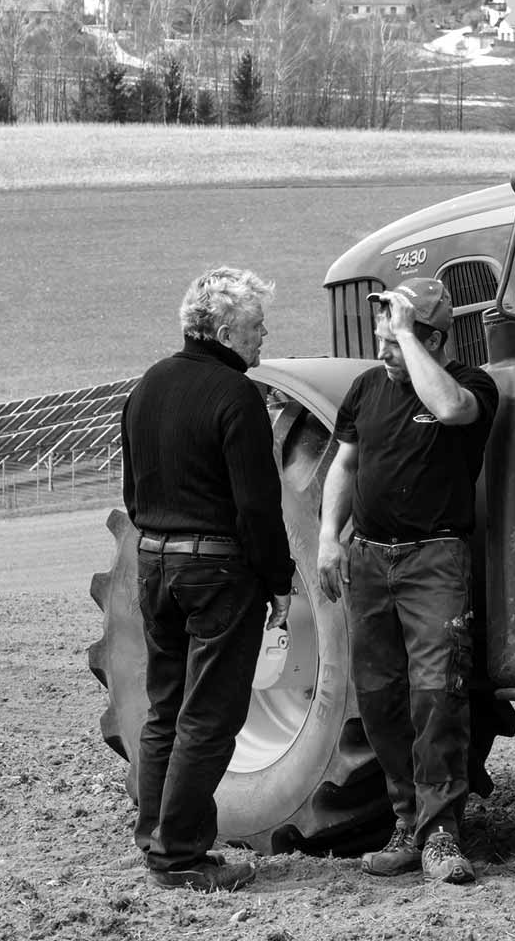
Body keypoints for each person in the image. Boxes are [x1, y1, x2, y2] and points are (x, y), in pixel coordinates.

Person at [315, 277, 498, 885]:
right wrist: (326, 540)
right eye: (382, 336)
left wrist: (406, 338)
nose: (382, 347)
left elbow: (448, 410)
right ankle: (406, 823)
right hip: (368, 561)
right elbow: (344, 462)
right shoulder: (367, 390)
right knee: (381, 698)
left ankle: (442, 835)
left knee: (437, 695)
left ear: (435, 340)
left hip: (434, 562)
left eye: (393, 338)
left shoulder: (470, 386)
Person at [121, 266, 293, 892]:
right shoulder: (236, 396)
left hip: (153, 562)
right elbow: (256, 506)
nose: (264, 335)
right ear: (222, 330)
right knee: (210, 717)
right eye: (255, 326)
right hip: (216, 568)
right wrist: (279, 580)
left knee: (165, 708)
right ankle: (182, 857)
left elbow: (132, 491)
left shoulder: (146, 386)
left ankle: (155, 838)